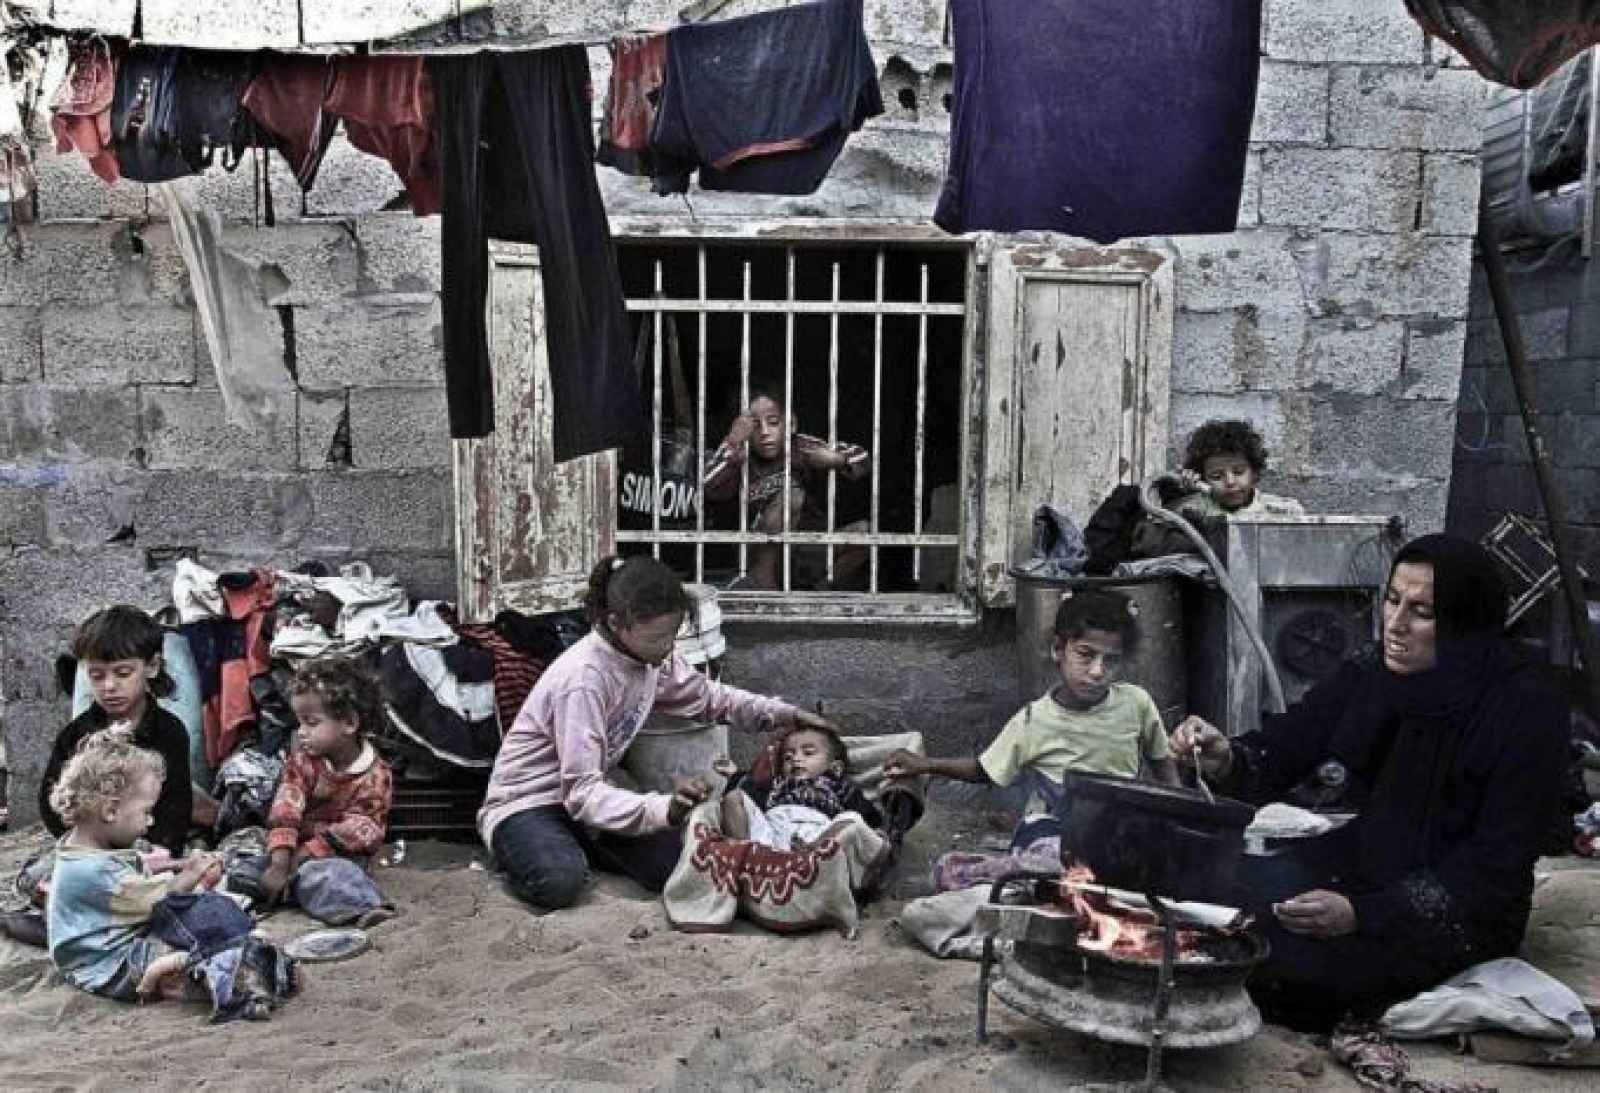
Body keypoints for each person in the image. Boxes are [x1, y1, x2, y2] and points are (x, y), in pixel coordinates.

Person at [1171, 534, 1569, 1032]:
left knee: (1280, 967)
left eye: (1423, 612)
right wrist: (1226, 756)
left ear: (1465, 621)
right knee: (1206, 890)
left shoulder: (1526, 708)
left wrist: (1364, 913)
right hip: (1369, 857)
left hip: (1454, 910)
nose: (1396, 625)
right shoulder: (1378, 669)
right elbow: (1296, 738)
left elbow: (1496, 867)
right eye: (1393, 600)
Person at [480, 554, 839, 910]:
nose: (668, 648)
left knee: (678, 864)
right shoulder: (585, 680)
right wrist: (665, 808)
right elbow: (582, 793)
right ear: (616, 623)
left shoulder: (651, 659)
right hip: (530, 801)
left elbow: (711, 698)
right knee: (559, 882)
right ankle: (527, 848)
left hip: (591, 799)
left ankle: (580, 845)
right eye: (657, 639)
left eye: (672, 636)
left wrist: (786, 715)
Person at [884, 589, 1179, 852]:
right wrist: (924, 764)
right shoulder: (1033, 720)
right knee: (1042, 848)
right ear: (1058, 650)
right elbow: (984, 770)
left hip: (1118, 828)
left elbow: (1162, 763)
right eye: (1086, 655)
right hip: (1057, 831)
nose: (1097, 671)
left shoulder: (1136, 703)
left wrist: (1178, 819)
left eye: (1110, 660)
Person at [45, 733, 221, 1002]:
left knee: (202, 917)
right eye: (146, 812)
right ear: (110, 811)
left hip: (107, 946)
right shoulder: (94, 871)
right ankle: (173, 973)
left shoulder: (82, 847)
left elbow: (137, 880)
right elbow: (159, 901)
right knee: (202, 942)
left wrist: (182, 868)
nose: (150, 822)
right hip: (108, 964)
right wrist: (193, 873)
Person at [231, 657, 396, 928]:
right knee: (244, 871)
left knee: (329, 877)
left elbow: (362, 828)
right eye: (299, 723)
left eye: (311, 723)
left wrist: (303, 856)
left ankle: (364, 907)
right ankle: (294, 888)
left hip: (338, 854)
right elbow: (285, 809)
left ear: (349, 723)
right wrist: (280, 862)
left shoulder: (376, 774)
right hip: (293, 850)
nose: (302, 733)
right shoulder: (303, 762)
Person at [39, 606, 193, 856]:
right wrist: (88, 843)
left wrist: (151, 854)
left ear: (152, 666)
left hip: (149, 848)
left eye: (123, 673)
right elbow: (51, 803)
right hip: (89, 851)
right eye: (97, 676)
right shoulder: (76, 735)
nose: (109, 686)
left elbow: (175, 809)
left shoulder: (169, 732)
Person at [703, 391, 871, 590]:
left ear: (790, 424)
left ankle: (819, 591)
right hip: (754, 548)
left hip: (805, 546)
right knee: (790, 497)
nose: (765, 432)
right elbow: (708, 486)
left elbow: (862, 457)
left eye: (773, 423)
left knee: (865, 532)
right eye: (755, 426)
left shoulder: (801, 446)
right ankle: (764, 584)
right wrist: (732, 443)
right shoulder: (738, 452)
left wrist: (838, 459)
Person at [720, 722, 882, 851]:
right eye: (788, 757)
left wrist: (876, 828)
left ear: (835, 768)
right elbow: (748, 792)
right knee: (734, 797)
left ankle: (812, 852)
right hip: (770, 836)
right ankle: (741, 852)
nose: (796, 759)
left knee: (852, 819)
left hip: (817, 835)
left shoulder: (839, 787)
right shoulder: (776, 783)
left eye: (808, 753)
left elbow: (867, 815)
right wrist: (734, 775)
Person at [1175, 418, 1303, 521]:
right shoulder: (1191, 512)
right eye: (1216, 476)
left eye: (1238, 472)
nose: (1230, 482)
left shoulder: (1283, 511)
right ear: (1203, 479)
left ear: (1254, 472)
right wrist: (1185, 494)